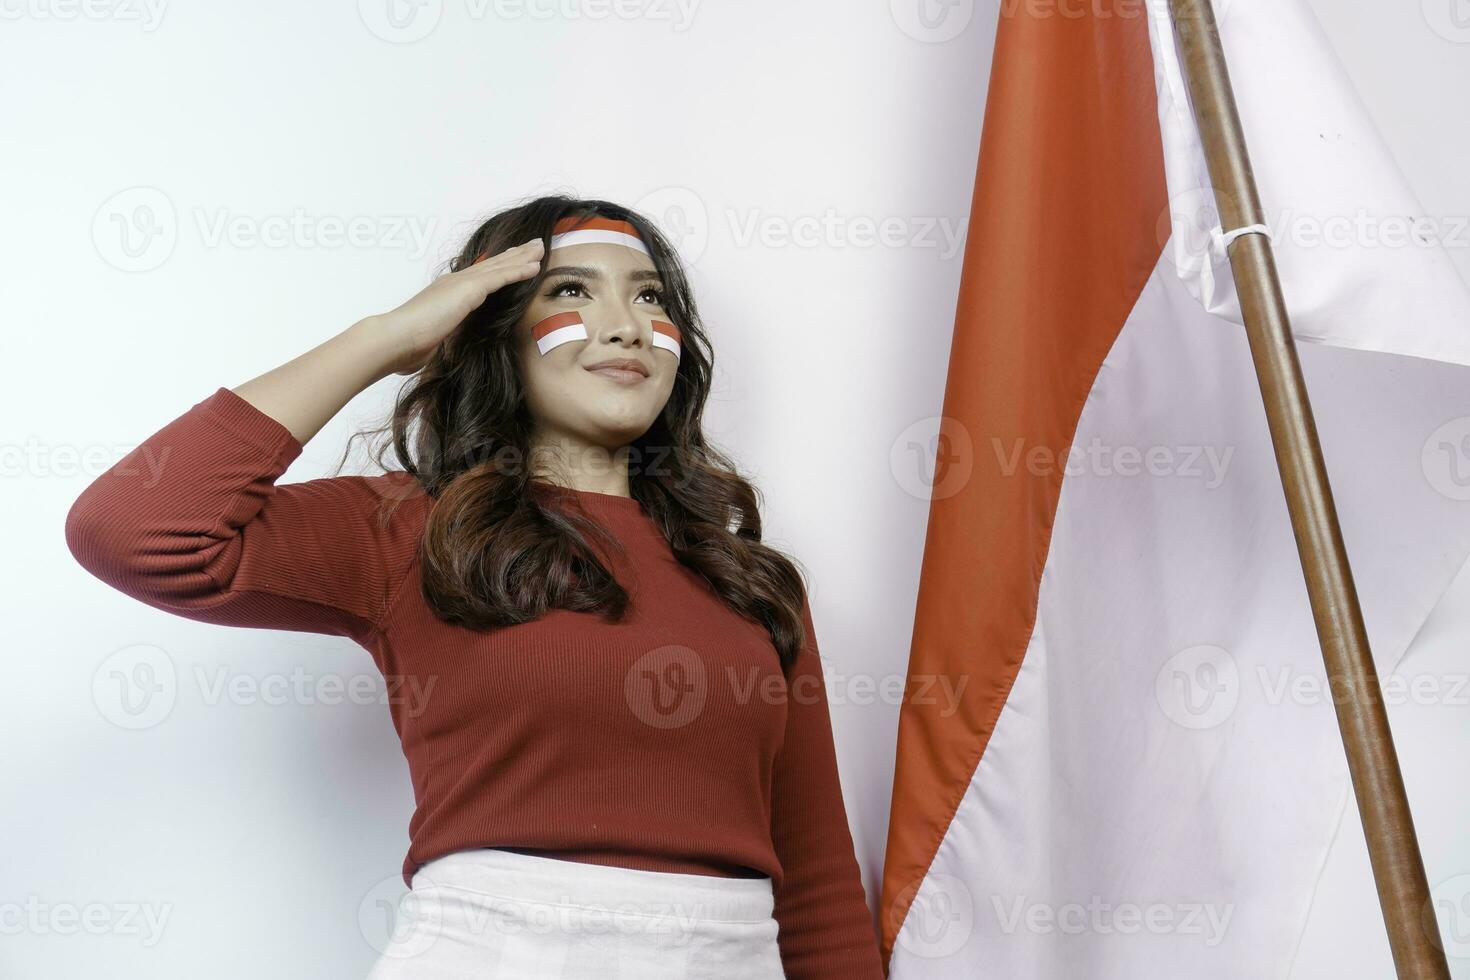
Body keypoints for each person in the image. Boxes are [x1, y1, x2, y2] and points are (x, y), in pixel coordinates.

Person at [64, 195, 885, 979]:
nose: (626, 325)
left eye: (651, 299)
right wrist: (382, 340)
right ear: (492, 330)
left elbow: (815, 887)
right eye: (571, 290)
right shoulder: (407, 529)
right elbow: (132, 529)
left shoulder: (750, 580)